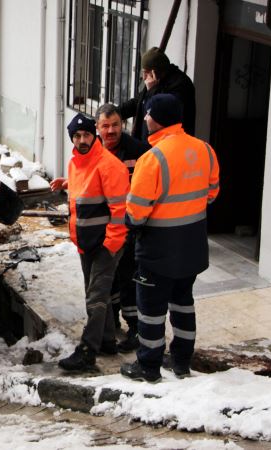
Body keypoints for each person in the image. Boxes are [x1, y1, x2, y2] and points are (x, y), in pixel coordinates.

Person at [120, 94, 220, 383]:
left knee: (150, 310)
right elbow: (212, 193)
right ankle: (181, 361)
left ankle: (148, 366)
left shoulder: (152, 159)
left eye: (148, 115)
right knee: (183, 302)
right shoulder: (205, 150)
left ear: (155, 119)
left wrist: (132, 222)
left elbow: (136, 213)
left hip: (158, 251)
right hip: (192, 246)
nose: (145, 120)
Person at [50, 113, 129, 372]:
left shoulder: (109, 165)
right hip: (86, 243)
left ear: (94, 135)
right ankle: (106, 340)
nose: (82, 140)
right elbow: (84, 190)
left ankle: (87, 351)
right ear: (72, 138)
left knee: (95, 297)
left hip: (106, 244)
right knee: (96, 295)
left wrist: (111, 244)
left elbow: (120, 210)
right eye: (77, 136)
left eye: (86, 135)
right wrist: (65, 182)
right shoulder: (76, 163)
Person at [95, 103, 147, 352]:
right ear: (98, 128)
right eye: (105, 126)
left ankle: (135, 327)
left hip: (129, 227)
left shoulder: (138, 150)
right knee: (109, 277)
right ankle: (112, 318)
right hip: (102, 228)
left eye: (115, 125)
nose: (111, 130)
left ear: (122, 125)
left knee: (128, 276)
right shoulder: (91, 150)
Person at [119, 47, 196, 146]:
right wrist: (115, 113)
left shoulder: (180, 85)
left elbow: (155, 111)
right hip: (153, 142)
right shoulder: (158, 80)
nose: (144, 76)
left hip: (170, 145)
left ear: (154, 72)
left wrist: (151, 89)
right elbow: (138, 102)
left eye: (146, 72)